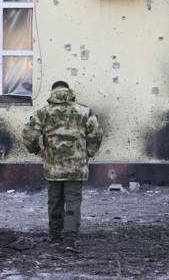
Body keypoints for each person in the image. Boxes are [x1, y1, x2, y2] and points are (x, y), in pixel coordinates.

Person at [22, 81, 102, 252]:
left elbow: (28, 134)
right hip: (76, 167)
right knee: (73, 201)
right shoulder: (84, 111)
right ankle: (69, 239)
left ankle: (55, 235)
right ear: (70, 92)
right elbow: (96, 134)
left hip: (53, 167)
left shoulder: (43, 113)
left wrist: (37, 150)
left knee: (55, 200)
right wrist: (88, 152)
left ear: (52, 93)